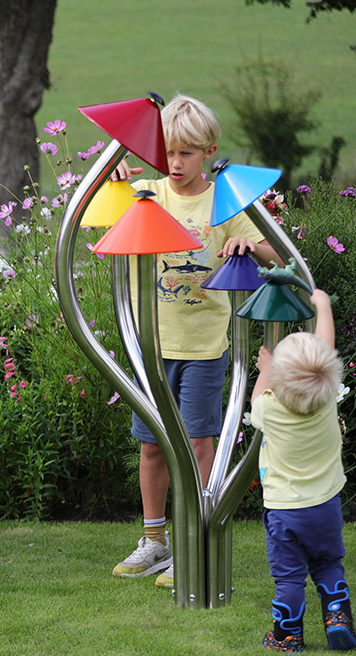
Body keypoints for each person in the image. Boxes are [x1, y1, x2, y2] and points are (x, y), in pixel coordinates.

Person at [107, 94, 279, 588]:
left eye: (186, 153)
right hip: (151, 345)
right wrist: (115, 184)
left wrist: (248, 244)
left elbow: (273, 249)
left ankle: (196, 538)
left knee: (200, 442)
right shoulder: (148, 194)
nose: (176, 163)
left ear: (209, 151)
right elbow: (105, 215)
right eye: (168, 153)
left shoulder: (224, 200)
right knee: (152, 446)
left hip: (203, 346)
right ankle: (156, 541)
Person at [253, 290, 353, 653]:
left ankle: (287, 637)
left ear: (279, 380)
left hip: (285, 511)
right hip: (326, 506)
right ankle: (338, 619)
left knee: (290, 577)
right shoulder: (325, 399)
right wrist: (323, 304)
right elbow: (327, 345)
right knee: (328, 564)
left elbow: (256, 399)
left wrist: (265, 371)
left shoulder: (270, 410)